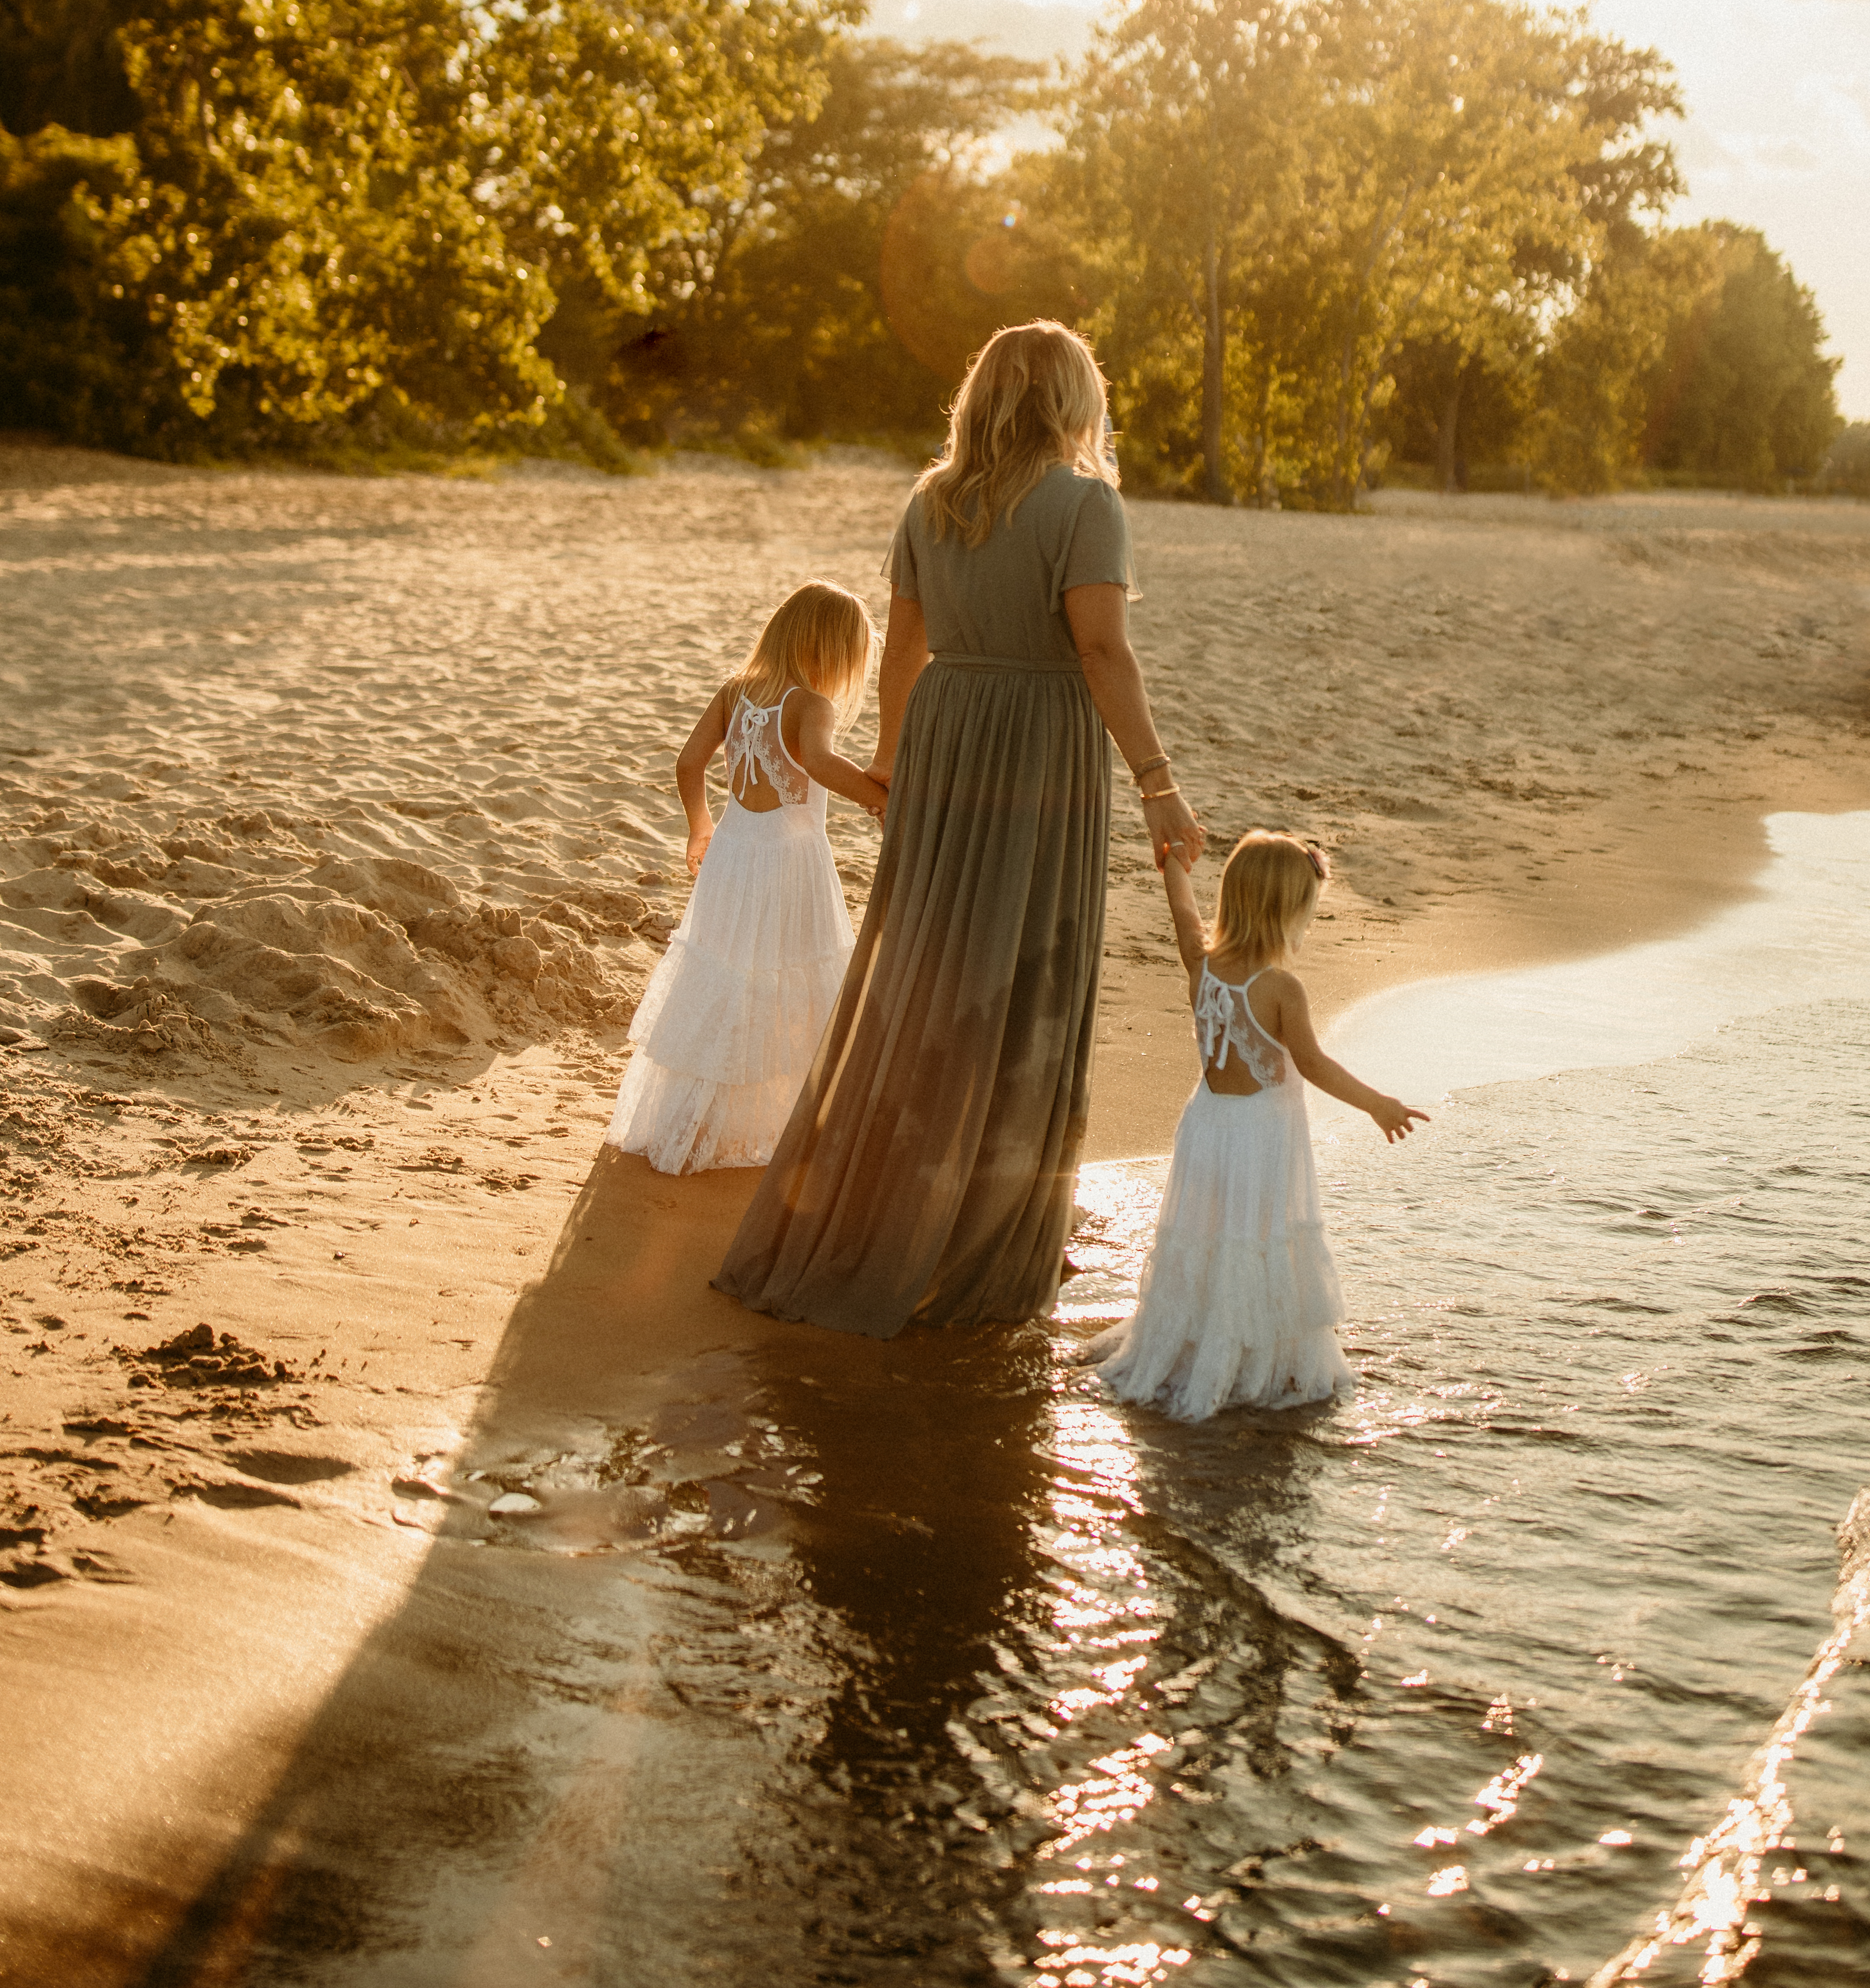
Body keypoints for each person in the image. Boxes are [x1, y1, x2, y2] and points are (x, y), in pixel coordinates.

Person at [715, 321, 1204, 1336]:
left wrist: (895, 763)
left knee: (929, 974)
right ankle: (990, 1231)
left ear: (982, 397)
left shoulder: (928, 503)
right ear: (1073, 402)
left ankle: (907, 1211)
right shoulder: (1085, 504)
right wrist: (1157, 781)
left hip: (946, 736)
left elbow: (904, 652)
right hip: (1040, 746)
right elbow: (1103, 653)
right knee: (1026, 973)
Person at [1087, 829, 1427, 1422]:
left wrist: (1174, 864)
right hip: (1259, 1137)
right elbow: (1313, 1064)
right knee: (1255, 1241)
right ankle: (1246, 1363)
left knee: (1211, 1239)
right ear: (1284, 913)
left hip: (1208, 1127)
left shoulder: (1203, 959)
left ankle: (1192, 1341)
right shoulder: (1281, 988)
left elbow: (1182, 909)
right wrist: (1378, 1104)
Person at [608, 583, 887, 1176]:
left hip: (734, 851)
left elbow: (689, 762)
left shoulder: (736, 692)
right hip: (791, 859)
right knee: (787, 971)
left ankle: (698, 1116)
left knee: (726, 966)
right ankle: (776, 1120)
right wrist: (882, 800)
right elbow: (819, 763)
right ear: (833, 648)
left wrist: (699, 826)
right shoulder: (812, 704)